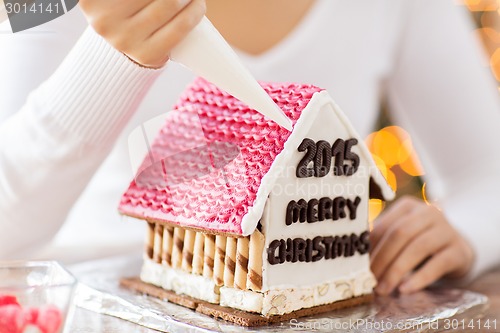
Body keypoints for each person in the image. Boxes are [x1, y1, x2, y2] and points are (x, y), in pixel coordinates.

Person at [0, 0, 499, 296]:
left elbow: (488, 174)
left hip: (299, 300)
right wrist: (113, 57)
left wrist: (465, 232)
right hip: (86, 299)